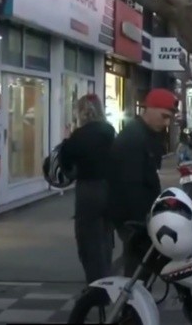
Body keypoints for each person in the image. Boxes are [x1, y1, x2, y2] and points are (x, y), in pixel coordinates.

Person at [107, 88, 178, 276]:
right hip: (133, 218)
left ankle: (134, 300)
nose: (166, 123)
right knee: (138, 270)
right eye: (164, 116)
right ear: (150, 109)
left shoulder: (145, 135)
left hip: (140, 215)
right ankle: (130, 303)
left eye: (169, 118)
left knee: (141, 269)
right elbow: (131, 186)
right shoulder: (133, 138)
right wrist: (143, 222)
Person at [59, 94, 116, 284]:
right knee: (106, 235)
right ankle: (107, 276)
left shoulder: (79, 135)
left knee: (87, 238)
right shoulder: (109, 131)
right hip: (109, 187)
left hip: (88, 190)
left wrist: (66, 139)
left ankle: (95, 284)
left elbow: (65, 161)